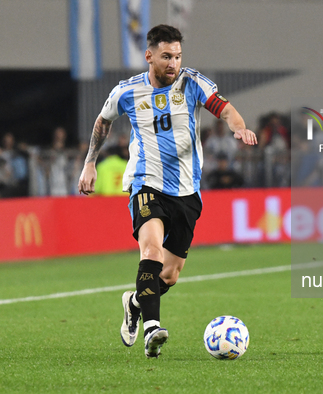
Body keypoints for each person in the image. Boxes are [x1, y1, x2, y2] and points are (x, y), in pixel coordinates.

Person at [77, 24, 257, 358]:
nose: (173, 63)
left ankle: (134, 303)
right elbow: (103, 122)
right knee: (151, 252)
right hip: (146, 182)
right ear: (150, 56)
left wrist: (239, 128)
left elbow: (225, 109)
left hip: (187, 189)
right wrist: (90, 163)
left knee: (171, 275)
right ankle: (151, 329)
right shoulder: (126, 92)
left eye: (177, 56)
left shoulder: (192, 83)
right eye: (166, 56)